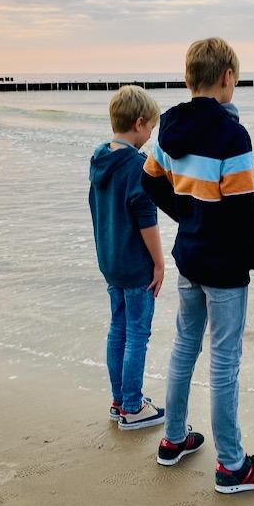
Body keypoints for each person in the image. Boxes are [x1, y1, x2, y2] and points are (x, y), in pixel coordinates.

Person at [143, 37, 254, 493]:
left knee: (185, 347)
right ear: (228, 77)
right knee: (224, 361)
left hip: (189, 257)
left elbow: (150, 183)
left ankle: (173, 439)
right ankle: (231, 466)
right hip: (224, 266)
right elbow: (244, 211)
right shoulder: (232, 134)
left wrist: (188, 215)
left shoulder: (169, 127)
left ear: (190, 78)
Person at [88, 85, 166, 430]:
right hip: (135, 265)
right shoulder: (137, 166)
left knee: (117, 329)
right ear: (138, 123)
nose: (151, 134)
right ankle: (133, 407)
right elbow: (146, 220)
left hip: (110, 260)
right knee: (136, 334)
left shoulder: (100, 157)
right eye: (151, 127)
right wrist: (160, 264)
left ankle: (119, 400)